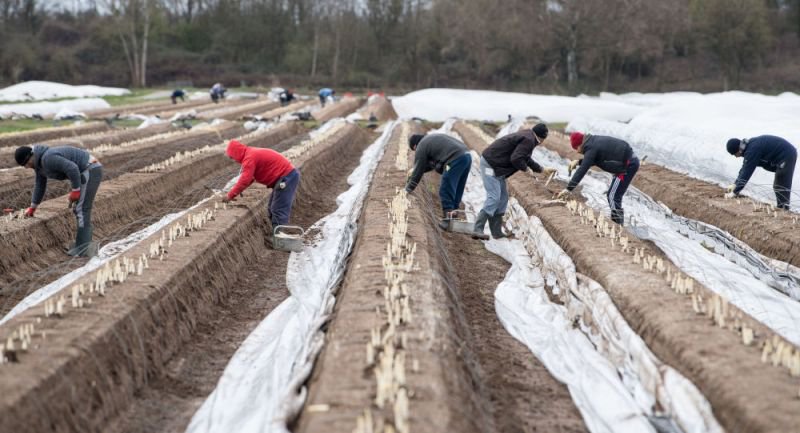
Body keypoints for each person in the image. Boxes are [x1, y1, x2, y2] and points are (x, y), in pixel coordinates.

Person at [15, 145, 103, 257]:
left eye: (26, 163)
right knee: (79, 209)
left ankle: (84, 248)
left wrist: (75, 190)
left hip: (90, 169)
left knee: (82, 208)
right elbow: (40, 186)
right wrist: (33, 207)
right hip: (84, 171)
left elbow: (73, 168)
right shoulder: (39, 166)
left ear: (31, 156)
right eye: (24, 166)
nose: (27, 167)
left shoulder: (48, 158)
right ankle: (81, 244)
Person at [473, 123, 555, 239]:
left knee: (502, 198)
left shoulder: (529, 136)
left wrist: (542, 169)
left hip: (497, 166)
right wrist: (526, 169)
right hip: (490, 165)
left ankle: (496, 232)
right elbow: (516, 158)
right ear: (542, 139)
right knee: (494, 197)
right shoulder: (529, 140)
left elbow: (525, 157)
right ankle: (477, 229)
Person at [557, 132, 640, 225]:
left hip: (627, 165)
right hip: (626, 162)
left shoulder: (591, 147)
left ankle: (618, 225)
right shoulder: (592, 142)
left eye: (576, 148)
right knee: (613, 195)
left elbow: (583, 169)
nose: (577, 151)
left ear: (580, 144)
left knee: (613, 196)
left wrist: (569, 189)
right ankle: (617, 222)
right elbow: (594, 159)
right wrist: (579, 162)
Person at [223, 140, 300, 232]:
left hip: (286, 178)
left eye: (232, 157)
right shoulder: (250, 154)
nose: (234, 160)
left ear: (236, 153)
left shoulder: (249, 158)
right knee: (272, 208)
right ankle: (276, 234)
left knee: (278, 209)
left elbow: (245, 179)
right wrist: (236, 191)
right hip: (286, 177)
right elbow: (250, 179)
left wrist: (230, 195)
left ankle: (280, 238)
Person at [404, 133, 472, 230]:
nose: (416, 152)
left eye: (415, 150)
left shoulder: (421, 145)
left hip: (455, 159)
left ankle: (448, 221)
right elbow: (429, 165)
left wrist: (409, 188)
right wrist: (416, 171)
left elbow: (418, 169)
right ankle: (453, 216)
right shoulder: (431, 139)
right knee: (457, 188)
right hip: (466, 157)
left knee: (446, 188)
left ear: (415, 146)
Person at [725, 135, 797, 209]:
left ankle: (784, 208)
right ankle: (782, 207)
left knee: (780, 184)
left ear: (739, 150)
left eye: (734, 154)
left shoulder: (752, 150)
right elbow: (744, 168)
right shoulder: (749, 147)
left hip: (786, 155)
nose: (736, 157)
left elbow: (747, 173)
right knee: (778, 185)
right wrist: (735, 184)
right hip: (784, 154)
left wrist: (735, 192)